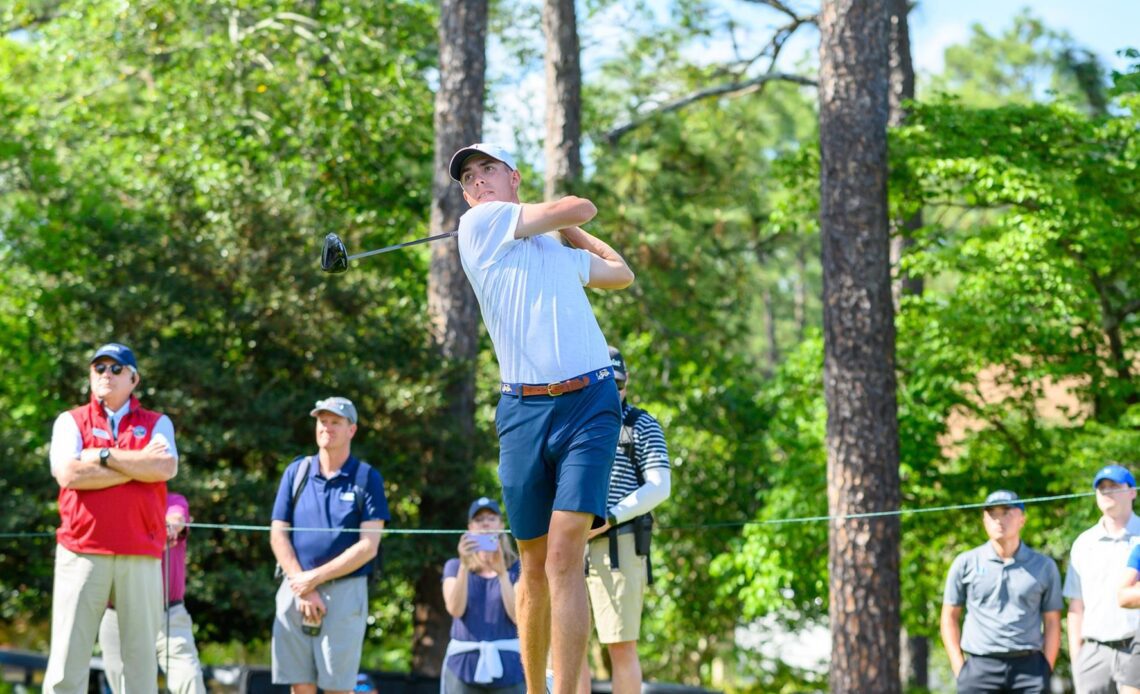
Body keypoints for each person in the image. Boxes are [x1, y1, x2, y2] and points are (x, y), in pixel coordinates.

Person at [448, 142, 634, 693]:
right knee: (531, 563)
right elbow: (580, 205)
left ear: (515, 178)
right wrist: (561, 222)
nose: (477, 182)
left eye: (488, 170)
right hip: (523, 410)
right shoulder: (478, 227)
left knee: (563, 555)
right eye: (468, 177)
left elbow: (619, 273)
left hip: (590, 403)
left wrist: (566, 238)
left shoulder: (552, 253)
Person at [44, 342, 179, 694]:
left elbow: (164, 467)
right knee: (66, 662)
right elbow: (69, 475)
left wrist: (101, 455)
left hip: (140, 550)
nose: (106, 375)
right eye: (98, 368)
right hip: (82, 549)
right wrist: (136, 466)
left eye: (116, 368)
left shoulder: (158, 423)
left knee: (140, 664)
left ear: (134, 379)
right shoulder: (69, 421)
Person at [270, 397, 389, 694]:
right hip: (296, 587)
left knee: (338, 687)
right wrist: (304, 586)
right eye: (322, 421)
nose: (327, 427)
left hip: (344, 592)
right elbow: (277, 534)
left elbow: (368, 546)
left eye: (336, 422)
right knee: (300, 686)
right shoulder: (296, 472)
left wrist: (315, 579)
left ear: (352, 430)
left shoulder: (367, 478)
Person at [580, 347, 671, 694]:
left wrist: (611, 517)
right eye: (606, 384)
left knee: (621, 645)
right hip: (572, 547)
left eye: (618, 385)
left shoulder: (641, 423)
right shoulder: (576, 424)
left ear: (627, 382)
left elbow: (660, 485)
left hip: (619, 546)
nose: (613, 392)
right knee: (568, 644)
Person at [940, 490, 1062, 693]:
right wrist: (959, 668)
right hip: (979, 669)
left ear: (1022, 519)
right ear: (984, 520)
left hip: (1030, 670)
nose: (998, 519)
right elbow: (948, 618)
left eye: (1006, 512)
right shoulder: (965, 563)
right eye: (992, 513)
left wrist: (1045, 668)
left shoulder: (1043, 566)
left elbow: (1052, 621)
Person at [98, 491, 207, 694]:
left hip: (169, 616)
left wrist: (168, 527)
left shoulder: (172, 500)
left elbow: (176, 518)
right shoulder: (113, 502)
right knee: (125, 688)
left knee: (189, 679)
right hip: (118, 616)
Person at [1065, 464, 1140, 693]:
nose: (1107, 492)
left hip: (1136, 649)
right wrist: (1078, 657)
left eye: (1114, 486)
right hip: (1094, 653)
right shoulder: (1083, 544)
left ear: (1132, 492)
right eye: (1102, 488)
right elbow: (1076, 605)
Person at [441, 497, 525, 694]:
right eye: (479, 520)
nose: (485, 523)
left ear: (501, 525)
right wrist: (464, 564)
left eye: (491, 518)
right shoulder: (453, 566)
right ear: (470, 527)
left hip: (511, 669)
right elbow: (455, 608)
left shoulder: (518, 567)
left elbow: (518, 616)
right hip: (461, 669)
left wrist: (502, 574)